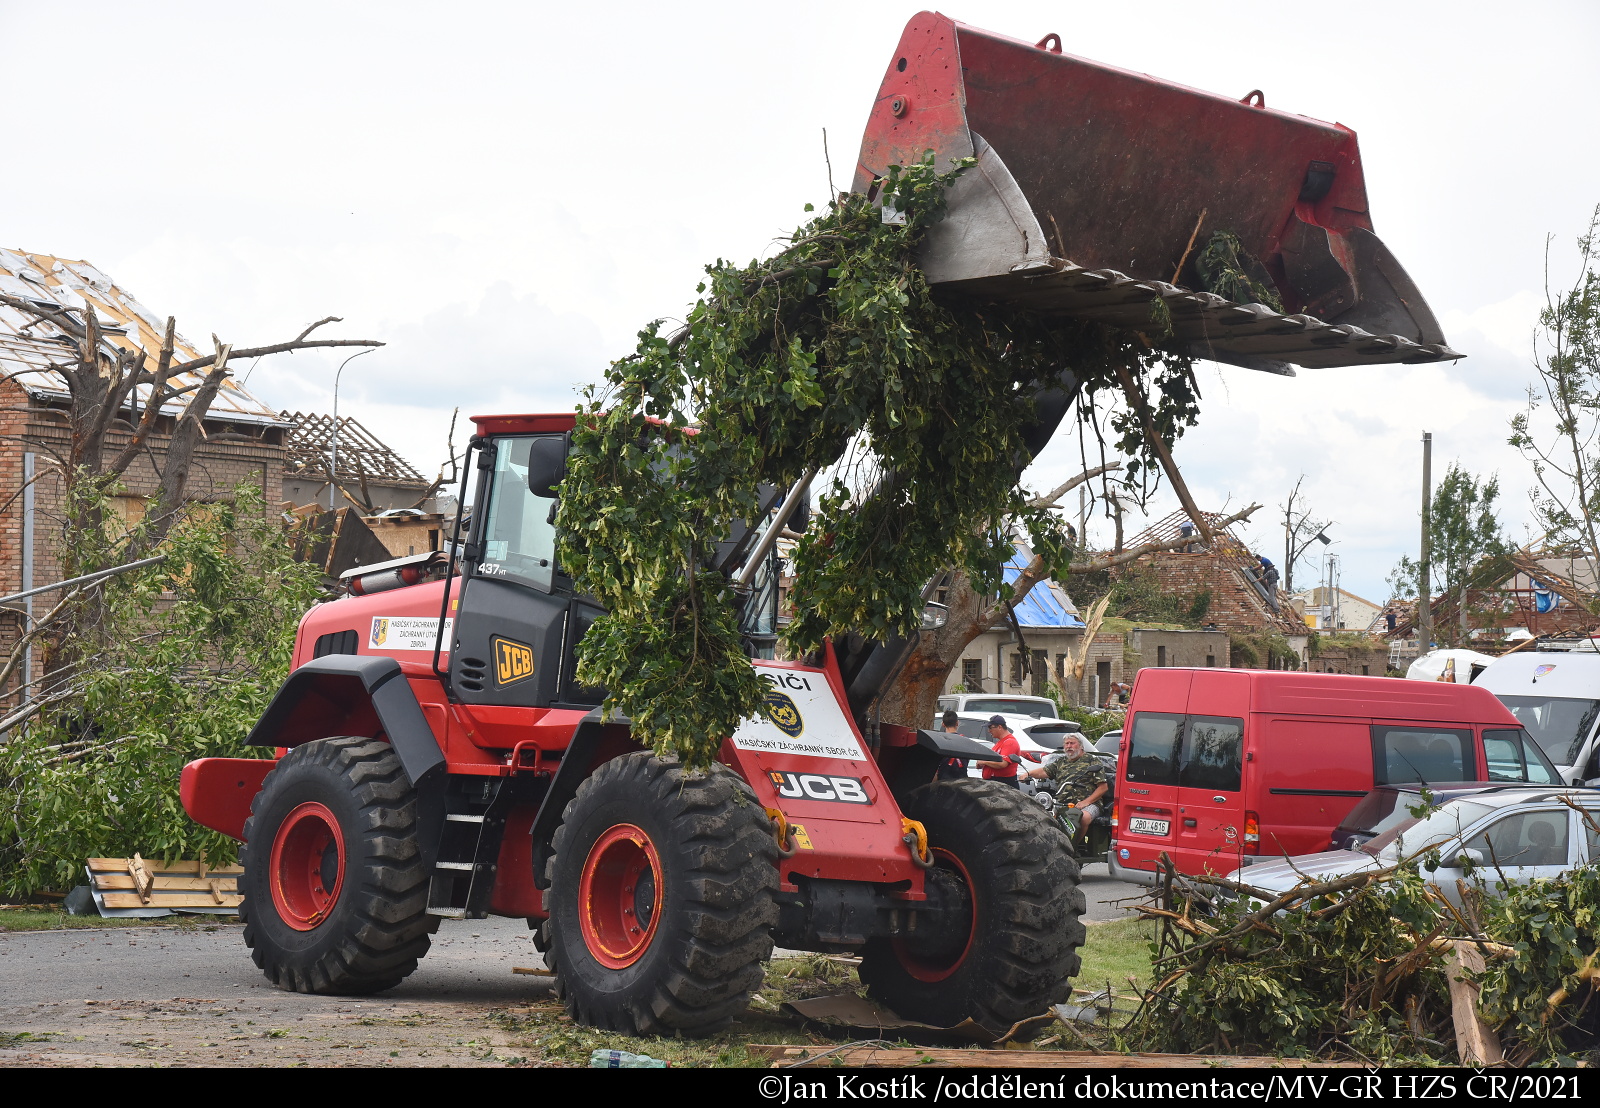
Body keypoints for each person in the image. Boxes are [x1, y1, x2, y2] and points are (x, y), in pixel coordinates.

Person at [1028, 734, 1108, 834]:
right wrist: (1028, 773)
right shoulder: (1061, 761)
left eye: (1072, 743)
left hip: (1088, 804)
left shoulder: (1092, 760)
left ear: (1080, 746)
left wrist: (1085, 802)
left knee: (1081, 818)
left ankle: (1073, 848)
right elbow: (1044, 771)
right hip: (1062, 803)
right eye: (1066, 743)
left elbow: (1103, 787)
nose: (1069, 746)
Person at [974, 715, 1022, 788]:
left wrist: (984, 762)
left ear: (999, 727)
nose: (989, 731)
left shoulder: (1010, 742)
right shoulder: (1000, 742)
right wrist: (983, 763)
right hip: (996, 782)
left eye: (990, 728)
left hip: (1004, 784)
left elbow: (1002, 764)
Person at [935, 709, 967, 781]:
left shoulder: (939, 740)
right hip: (962, 779)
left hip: (943, 777)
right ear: (957, 723)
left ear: (943, 724)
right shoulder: (965, 740)